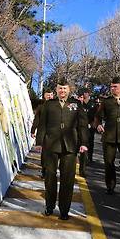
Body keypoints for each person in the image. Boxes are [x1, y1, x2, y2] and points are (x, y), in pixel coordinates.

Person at [37, 79, 89, 220]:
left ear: (69, 90)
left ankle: (64, 209)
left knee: (68, 179)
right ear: (56, 90)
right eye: (60, 88)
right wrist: (39, 142)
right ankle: (49, 205)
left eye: (65, 88)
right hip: (51, 144)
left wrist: (84, 143)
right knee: (50, 176)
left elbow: (82, 125)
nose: (62, 91)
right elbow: (42, 124)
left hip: (70, 145)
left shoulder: (76, 104)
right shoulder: (49, 104)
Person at [31, 89, 54, 177]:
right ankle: (44, 171)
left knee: (53, 153)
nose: (49, 96)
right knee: (44, 153)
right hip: (43, 133)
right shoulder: (41, 106)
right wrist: (33, 130)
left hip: (54, 134)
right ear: (44, 96)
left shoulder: (57, 105)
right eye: (48, 95)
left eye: (51, 95)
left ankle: (50, 170)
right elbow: (36, 119)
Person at [78, 88, 97, 177]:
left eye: (85, 93)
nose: (84, 95)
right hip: (77, 129)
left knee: (88, 144)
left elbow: (96, 115)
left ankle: (85, 164)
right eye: (82, 94)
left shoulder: (93, 104)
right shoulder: (76, 105)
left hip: (89, 127)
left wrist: (93, 124)